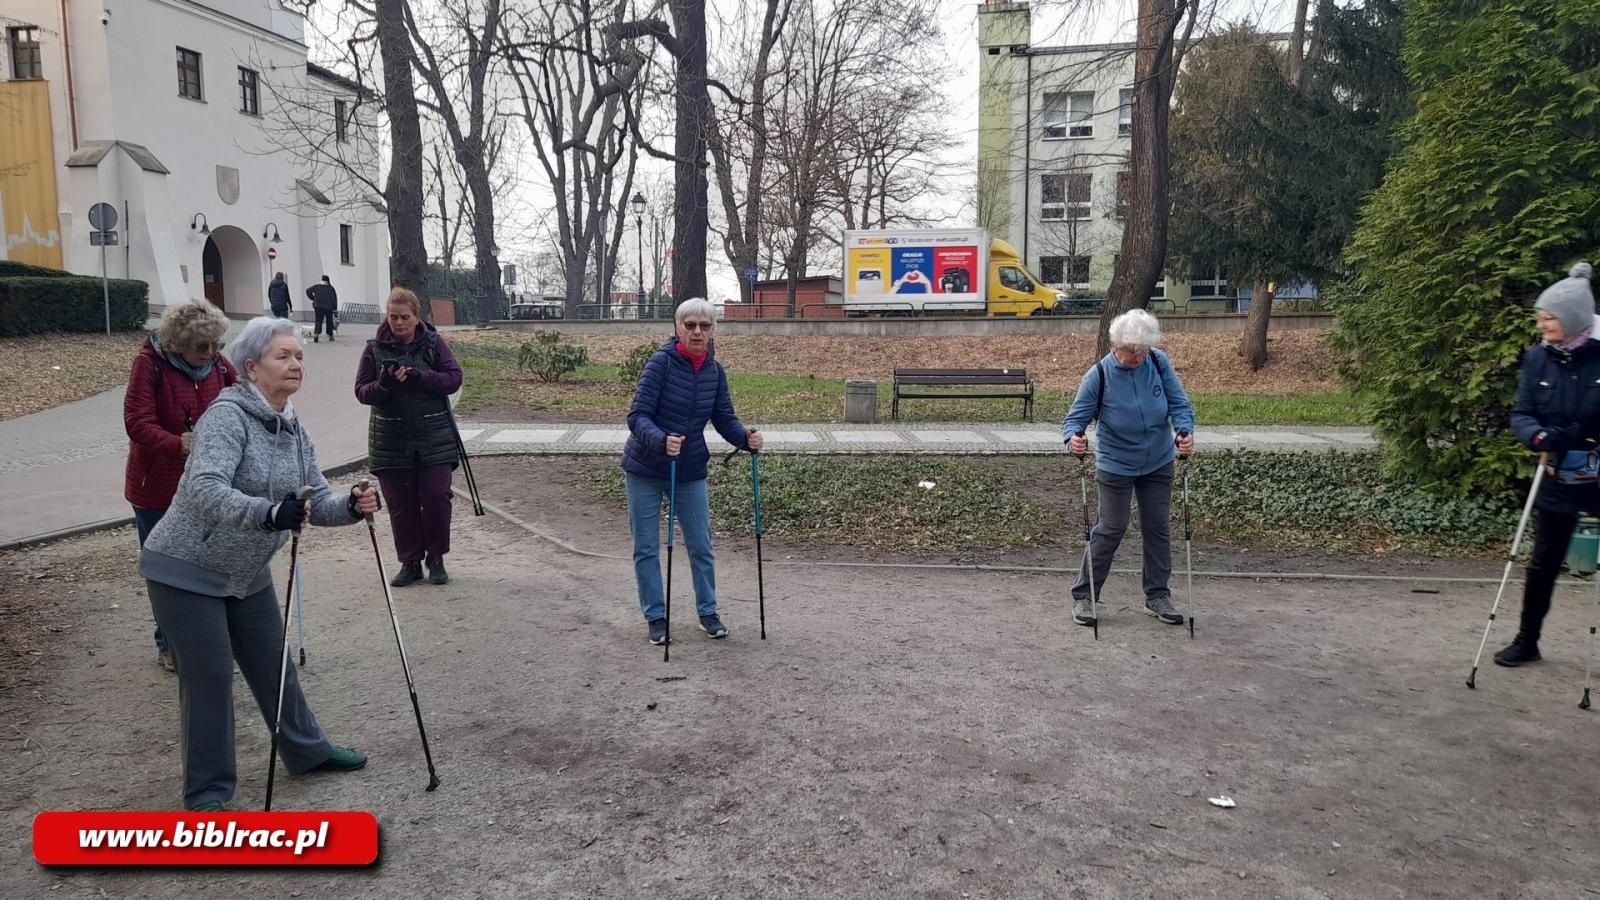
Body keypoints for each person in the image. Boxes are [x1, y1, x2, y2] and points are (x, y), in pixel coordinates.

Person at [138, 316, 380, 810]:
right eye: (282, 356)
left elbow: (312, 499)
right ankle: (207, 793)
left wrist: (351, 507)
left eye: (299, 356)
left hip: (244, 571)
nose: (295, 364)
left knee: (274, 665)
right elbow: (205, 489)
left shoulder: (292, 427)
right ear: (250, 367)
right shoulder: (226, 417)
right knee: (209, 678)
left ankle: (307, 752)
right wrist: (269, 513)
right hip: (184, 568)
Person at [621, 297, 764, 646]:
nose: (697, 332)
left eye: (704, 325)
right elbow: (637, 416)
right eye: (690, 325)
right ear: (677, 327)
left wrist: (745, 438)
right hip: (646, 466)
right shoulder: (660, 365)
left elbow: (724, 418)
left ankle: (708, 612)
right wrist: (660, 440)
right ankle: (656, 617)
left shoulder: (715, 371)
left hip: (689, 468)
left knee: (701, 544)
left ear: (713, 330)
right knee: (647, 547)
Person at [1062, 308, 1196, 628]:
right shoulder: (1099, 376)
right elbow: (1074, 421)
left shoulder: (1159, 364)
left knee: (1157, 527)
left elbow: (1180, 404)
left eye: (1141, 349)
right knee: (1111, 527)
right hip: (1116, 464)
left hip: (1158, 461)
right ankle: (1085, 596)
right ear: (1114, 344)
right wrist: (1074, 439)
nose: (1136, 356)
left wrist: (1183, 431)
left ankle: (1157, 595)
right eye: (1130, 350)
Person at [124, 300, 237, 672]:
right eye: (202, 347)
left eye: (217, 345)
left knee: (209, 561)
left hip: (208, 484)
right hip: (157, 485)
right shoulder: (150, 365)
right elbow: (137, 423)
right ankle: (169, 642)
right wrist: (179, 443)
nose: (211, 354)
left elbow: (245, 400)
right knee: (166, 568)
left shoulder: (219, 365)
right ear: (177, 344)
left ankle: (209, 637)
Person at [1499, 262, 1598, 667]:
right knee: (1543, 563)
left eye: (1548, 318)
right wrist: (1537, 436)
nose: (1541, 325)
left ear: (1573, 319)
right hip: (1557, 473)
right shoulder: (1538, 359)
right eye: (1540, 317)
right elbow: (1522, 412)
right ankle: (1528, 641)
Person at [354, 287, 464, 587]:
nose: (398, 323)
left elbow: (454, 379)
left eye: (404, 317)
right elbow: (362, 392)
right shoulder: (374, 348)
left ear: (417, 318)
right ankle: (410, 562)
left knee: (437, 497)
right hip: (390, 436)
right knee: (400, 504)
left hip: (434, 433)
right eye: (393, 317)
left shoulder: (433, 343)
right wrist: (384, 384)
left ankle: (436, 557)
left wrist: (420, 376)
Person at [307, 275, 339, 342]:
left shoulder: (316, 286)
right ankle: (330, 336)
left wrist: (313, 298)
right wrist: (335, 308)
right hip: (328, 307)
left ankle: (316, 334)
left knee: (318, 320)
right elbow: (334, 299)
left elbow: (308, 291)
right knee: (329, 321)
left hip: (318, 306)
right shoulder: (331, 288)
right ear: (328, 281)